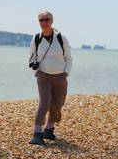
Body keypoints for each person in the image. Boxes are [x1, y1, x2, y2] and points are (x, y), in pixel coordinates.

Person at [29, 10, 73, 145]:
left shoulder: (61, 38)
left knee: (58, 104)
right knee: (45, 103)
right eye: (41, 20)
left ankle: (49, 129)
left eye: (46, 19)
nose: (44, 23)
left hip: (60, 77)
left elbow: (68, 58)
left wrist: (65, 74)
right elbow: (32, 56)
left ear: (52, 21)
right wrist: (36, 73)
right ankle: (37, 133)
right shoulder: (36, 38)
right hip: (44, 77)